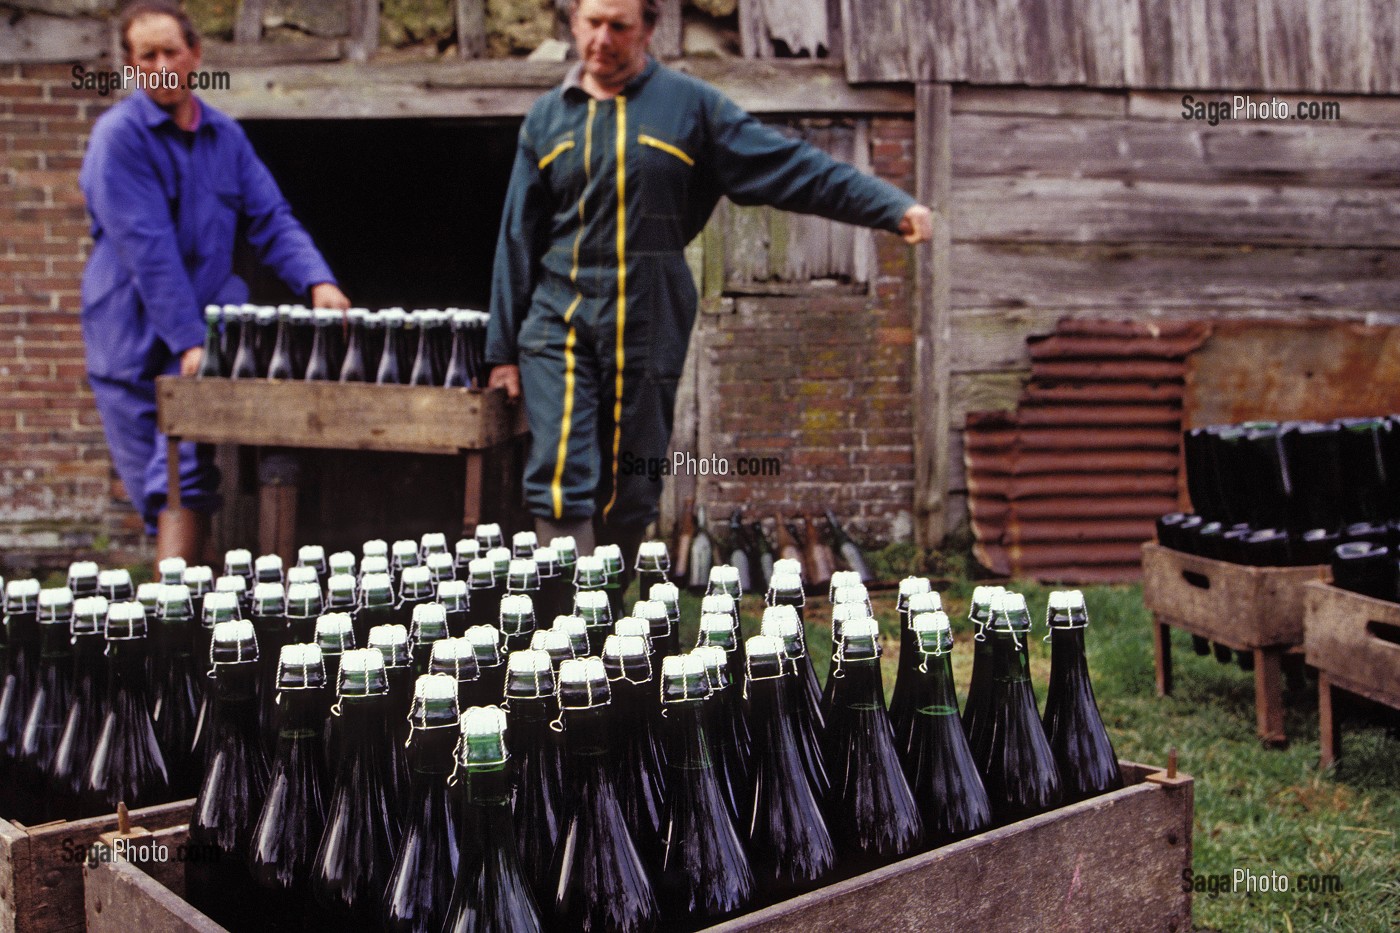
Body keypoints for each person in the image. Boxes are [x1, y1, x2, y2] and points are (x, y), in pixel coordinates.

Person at [486, 0, 932, 565]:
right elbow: (516, 238)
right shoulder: (547, 118)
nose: (602, 39)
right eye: (592, 22)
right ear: (573, 22)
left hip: (651, 311)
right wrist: (502, 350)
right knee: (559, 464)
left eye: (619, 26)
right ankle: (569, 613)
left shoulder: (689, 107)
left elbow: (796, 167)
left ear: (648, 29)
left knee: (637, 474)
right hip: (558, 311)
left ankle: (614, 587)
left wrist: (891, 206)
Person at [80, 1, 349, 560]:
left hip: (198, 335)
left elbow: (270, 217)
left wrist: (317, 282)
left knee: (186, 479)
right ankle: (178, 619)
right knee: (164, 491)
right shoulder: (119, 138)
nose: (159, 65)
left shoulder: (225, 137)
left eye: (169, 52)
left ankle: (186, 615)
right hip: (132, 339)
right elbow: (148, 249)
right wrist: (188, 341)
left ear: (195, 55)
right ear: (129, 66)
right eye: (145, 55)